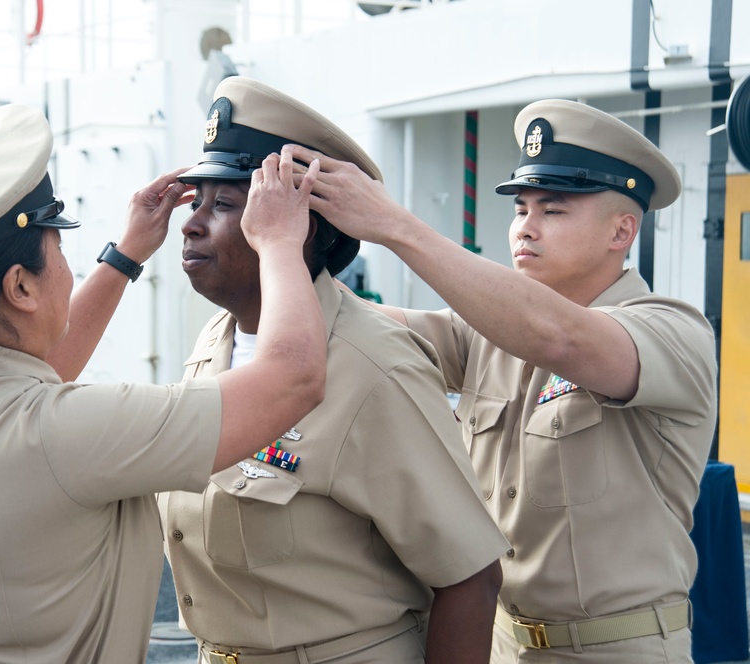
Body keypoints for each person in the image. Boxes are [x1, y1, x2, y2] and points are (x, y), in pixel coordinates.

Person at [0, 102, 328, 664]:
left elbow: (25, 383)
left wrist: (128, 252)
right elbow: (293, 379)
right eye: (59, 248)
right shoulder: (66, 433)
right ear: (20, 287)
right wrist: (282, 241)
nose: (67, 268)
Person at [286, 99, 717, 662]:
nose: (525, 229)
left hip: (617, 647)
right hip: (499, 641)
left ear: (622, 230)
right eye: (521, 209)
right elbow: (370, 327)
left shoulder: (670, 330)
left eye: (553, 211)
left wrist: (395, 226)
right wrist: (290, 245)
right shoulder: (491, 332)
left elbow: (559, 337)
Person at [159, 76, 509, 664]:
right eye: (196, 202)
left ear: (302, 228)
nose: (191, 223)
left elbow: (470, 579)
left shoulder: (374, 364)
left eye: (224, 204)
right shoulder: (215, 343)